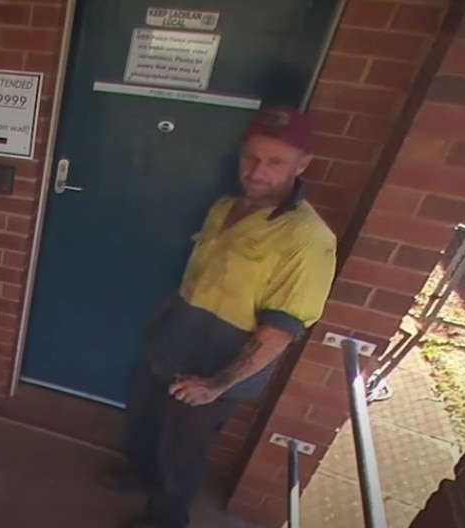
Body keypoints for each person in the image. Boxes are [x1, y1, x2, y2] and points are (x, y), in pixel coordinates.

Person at [102, 106, 338, 528]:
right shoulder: (224, 207)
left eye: (275, 161)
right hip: (171, 343)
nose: (257, 170)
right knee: (142, 422)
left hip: (215, 365)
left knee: (182, 452)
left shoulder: (308, 239)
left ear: (302, 164)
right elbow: (197, 275)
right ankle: (140, 475)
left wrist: (216, 385)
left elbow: (282, 329)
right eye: (251, 157)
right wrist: (162, 320)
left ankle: (166, 519)